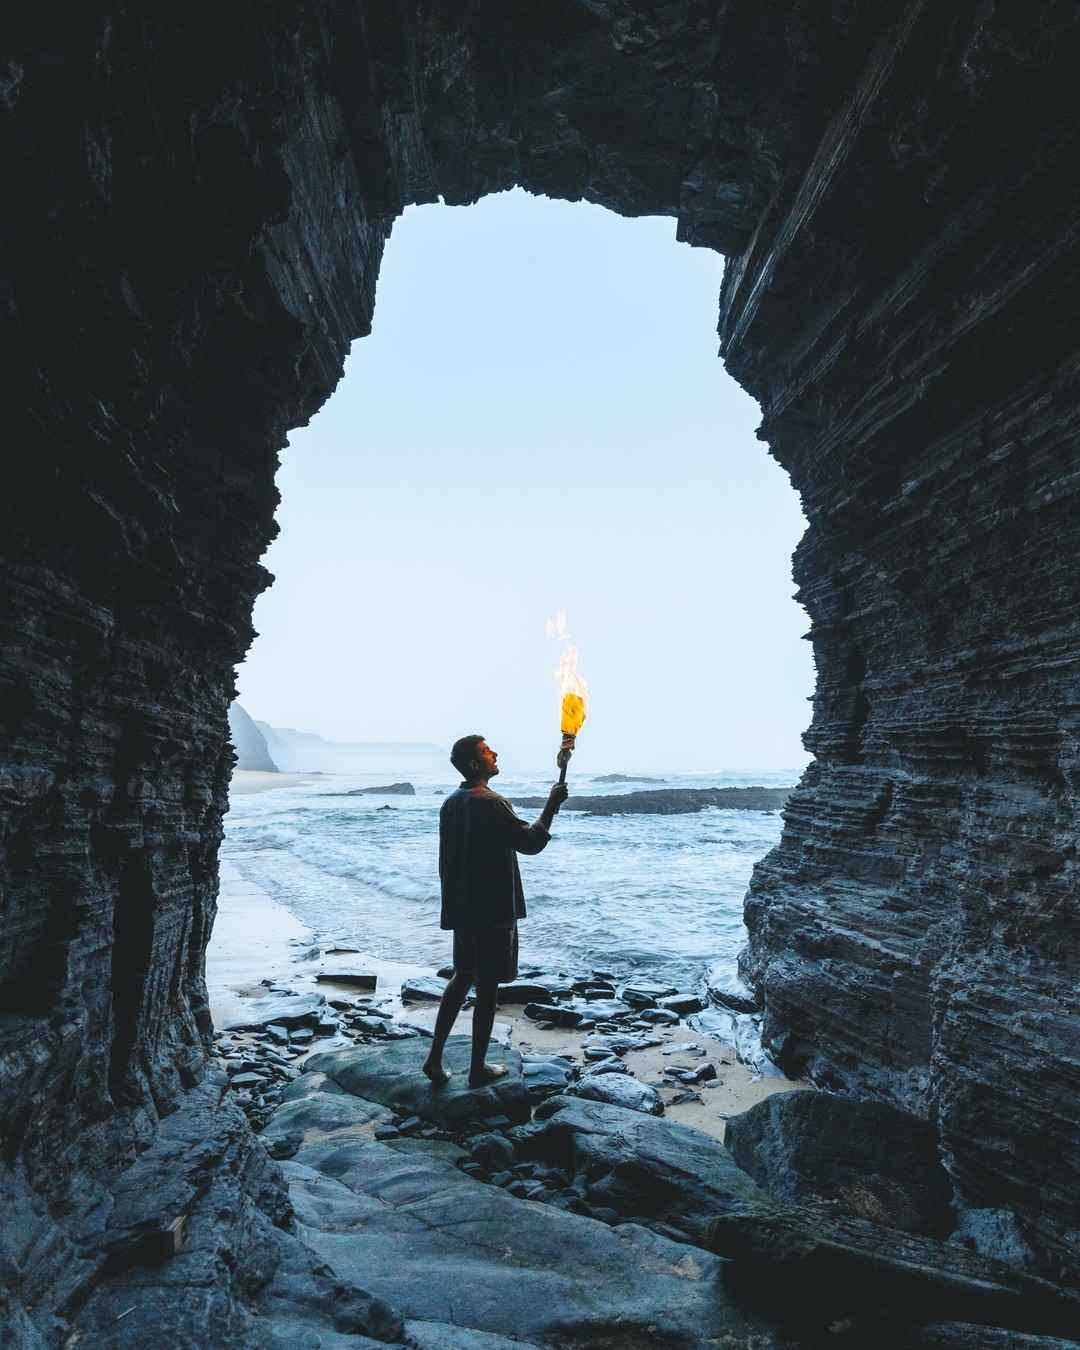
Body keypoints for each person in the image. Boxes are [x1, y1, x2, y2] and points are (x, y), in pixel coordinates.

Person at [422, 734, 569, 1088]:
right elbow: (531, 843)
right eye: (488, 751)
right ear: (474, 764)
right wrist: (552, 804)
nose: (495, 753)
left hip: (463, 908)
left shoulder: (452, 802)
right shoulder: (489, 802)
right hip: (491, 911)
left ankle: (434, 1059)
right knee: (487, 988)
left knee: (462, 978)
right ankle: (477, 1069)